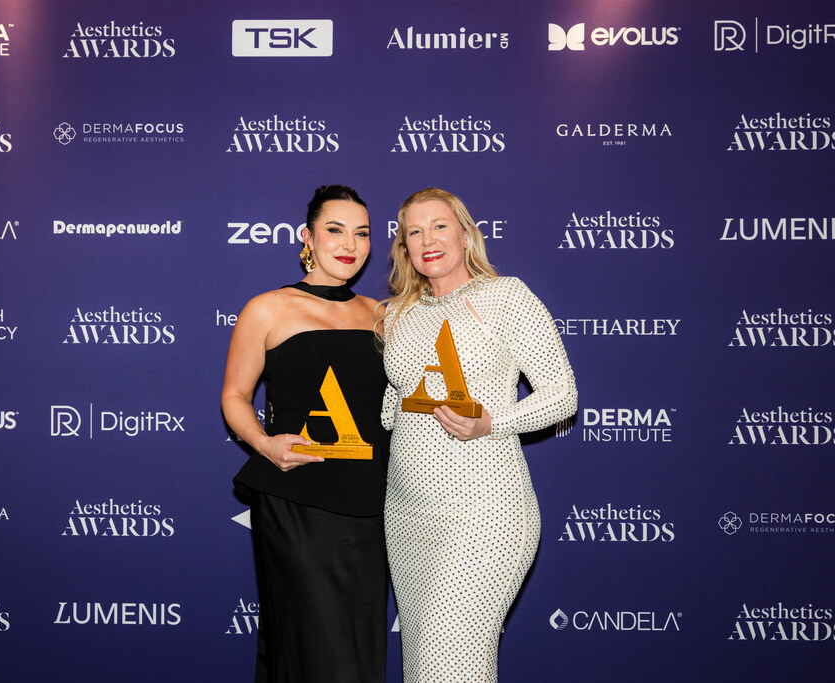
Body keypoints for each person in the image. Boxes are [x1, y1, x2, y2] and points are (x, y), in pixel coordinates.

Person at [381, 187, 577, 682]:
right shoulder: (399, 314)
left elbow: (562, 394)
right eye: (414, 232)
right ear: (404, 246)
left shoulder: (505, 296)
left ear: (466, 234)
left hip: (485, 511)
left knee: (450, 663)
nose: (428, 239)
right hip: (406, 514)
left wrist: (492, 422)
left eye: (439, 226)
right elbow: (396, 405)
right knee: (423, 667)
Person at [222, 185, 389, 683]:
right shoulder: (267, 309)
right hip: (298, 499)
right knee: (315, 647)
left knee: (359, 649)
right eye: (335, 230)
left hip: (372, 502)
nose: (350, 244)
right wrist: (264, 444)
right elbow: (235, 396)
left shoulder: (382, 314)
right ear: (308, 237)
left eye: (361, 233)